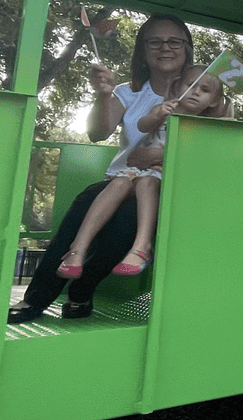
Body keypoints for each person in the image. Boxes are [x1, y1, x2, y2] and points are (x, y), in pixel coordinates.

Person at [12, 14, 194, 323]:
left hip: (171, 187)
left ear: (187, 49)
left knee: (127, 219)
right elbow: (99, 132)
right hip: (123, 180)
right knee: (86, 200)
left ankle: (82, 291)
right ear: (143, 50)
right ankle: (36, 300)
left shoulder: (199, 93)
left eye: (174, 41)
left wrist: (163, 156)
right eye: (155, 41)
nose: (165, 48)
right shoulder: (129, 91)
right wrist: (104, 94)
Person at [57, 66, 227, 280]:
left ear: (212, 101)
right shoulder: (165, 110)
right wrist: (155, 115)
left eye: (205, 90)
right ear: (178, 87)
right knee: (118, 183)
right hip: (136, 169)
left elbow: (212, 151)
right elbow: (142, 126)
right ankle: (78, 249)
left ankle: (142, 247)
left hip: (167, 177)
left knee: (147, 182)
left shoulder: (207, 126)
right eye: (190, 85)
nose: (195, 92)